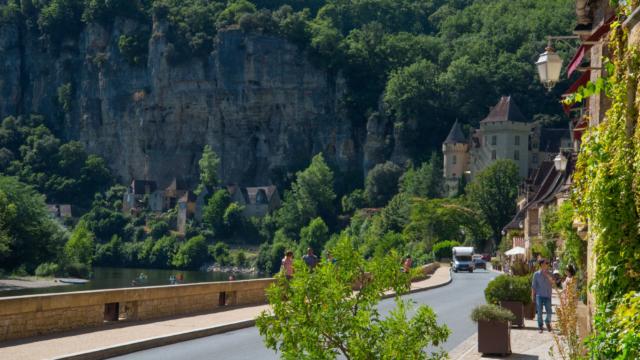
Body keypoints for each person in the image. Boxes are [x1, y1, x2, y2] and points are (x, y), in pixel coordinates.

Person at [531, 259, 554, 333]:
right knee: (539, 312)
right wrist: (532, 296)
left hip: (547, 295)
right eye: (545, 263)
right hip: (539, 295)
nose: (546, 265)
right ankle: (540, 326)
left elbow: (553, 283)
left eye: (547, 264)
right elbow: (534, 286)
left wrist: (547, 275)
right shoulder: (536, 274)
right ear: (541, 265)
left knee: (549, 311)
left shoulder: (550, 273)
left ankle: (547, 322)